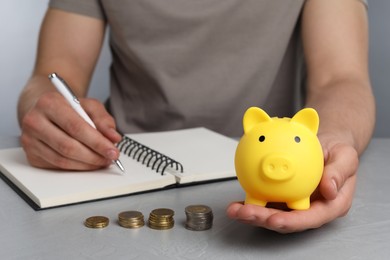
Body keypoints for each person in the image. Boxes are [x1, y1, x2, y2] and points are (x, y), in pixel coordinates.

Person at [17, 0, 375, 233]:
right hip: (126, 165)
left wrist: (332, 142)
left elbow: (341, 78)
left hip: (259, 169)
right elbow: (53, 74)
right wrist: (45, 110)